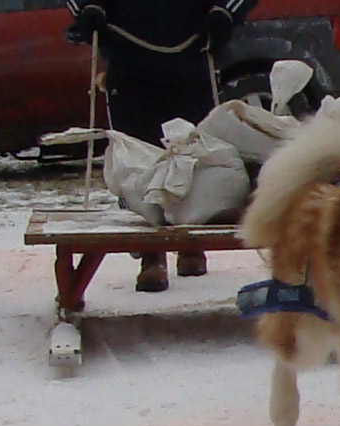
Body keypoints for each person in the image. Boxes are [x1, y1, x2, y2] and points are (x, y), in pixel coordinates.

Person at [68, 0, 259, 292]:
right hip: (126, 48)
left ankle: (191, 243)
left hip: (193, 45)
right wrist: (87, 7)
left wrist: (226, 10)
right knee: (138, 156)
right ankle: (151, 255)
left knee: (198, 150)